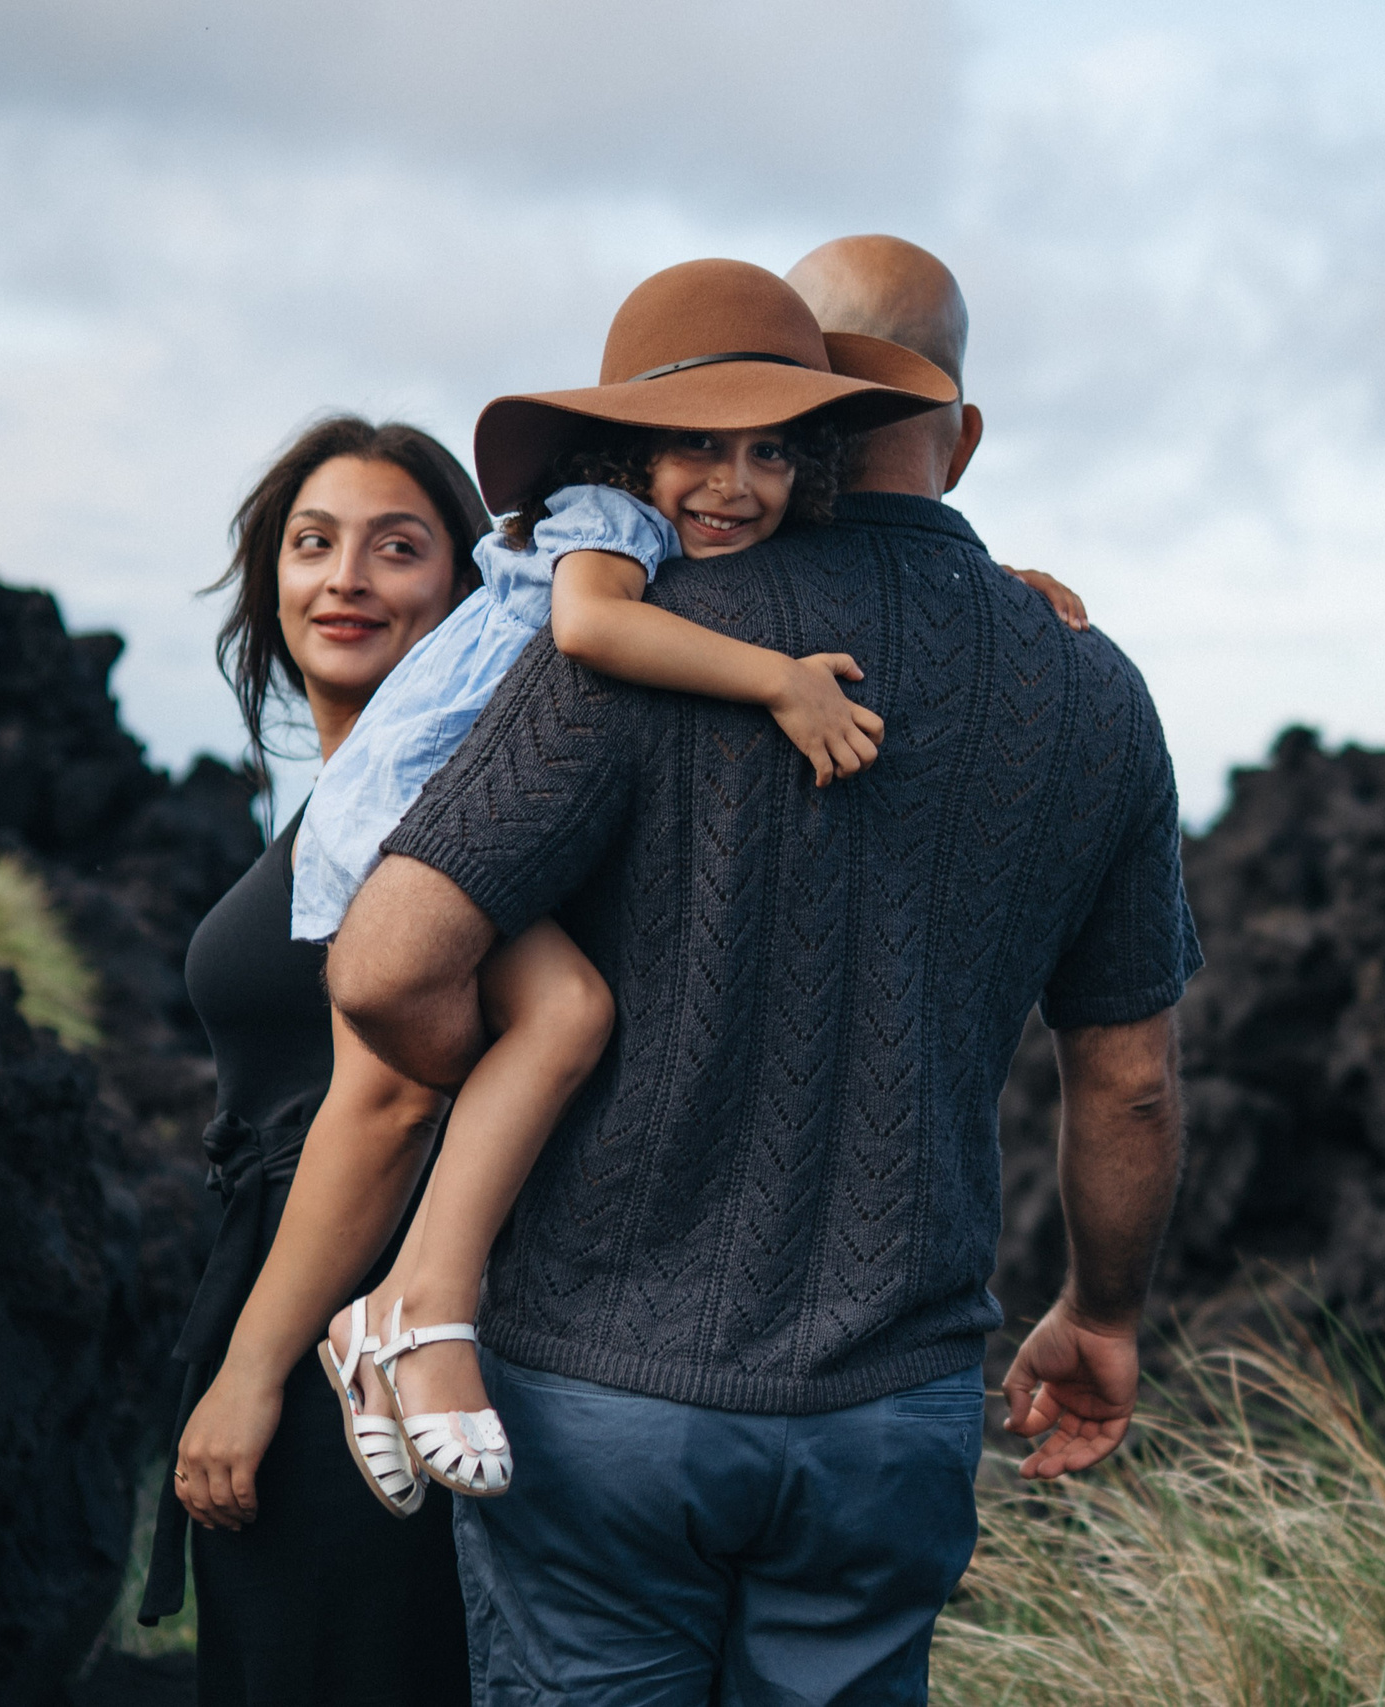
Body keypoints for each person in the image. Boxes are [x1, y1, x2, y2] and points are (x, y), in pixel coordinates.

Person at [323, 234, 1199, 1706]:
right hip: (892, 1401)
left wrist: (516, 1063)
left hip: (594, 1381)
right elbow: (1128, 1081)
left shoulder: (647, 636)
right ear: (959, 435)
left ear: (810, 416)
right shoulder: (1092, 688)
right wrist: (1101, 1314)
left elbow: (391, 961)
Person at [142, 416, 487, 1704]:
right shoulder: (354, 791)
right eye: (312, 543)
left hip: (362, 1342)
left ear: (463, 589)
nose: (345, 577)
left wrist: (249, 1372)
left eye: (397, 548)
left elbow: (391, 1100)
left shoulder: (429, 798)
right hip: (319, 1308)